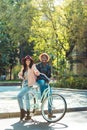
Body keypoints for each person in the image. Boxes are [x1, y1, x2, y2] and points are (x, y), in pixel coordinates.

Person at [17, 55, 40, 121]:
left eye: (29, 60)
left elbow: (36, 71)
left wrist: (36, 72)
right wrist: (21, 77)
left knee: (19, 96)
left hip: (29, 85)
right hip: (24, 84)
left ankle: (22, 110)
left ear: (31, 61)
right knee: (26, 99)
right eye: (26, 60)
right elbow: (20, 74)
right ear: (25, 61)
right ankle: (28, 114)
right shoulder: (23, 67)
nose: (28, 61)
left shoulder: (33, 66)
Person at [36, 53, 53, 118]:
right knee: (42, 82)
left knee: (50, 94)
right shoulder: (38, 65)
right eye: (42, 57)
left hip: (46, 80)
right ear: (41, 58)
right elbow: (36, 73)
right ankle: (42, 98)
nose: (44, 59)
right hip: (40, 79)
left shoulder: (49, 67)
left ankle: (50, 112)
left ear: (47, 59)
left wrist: (50, 79)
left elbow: (49, 75)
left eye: (45, 57)